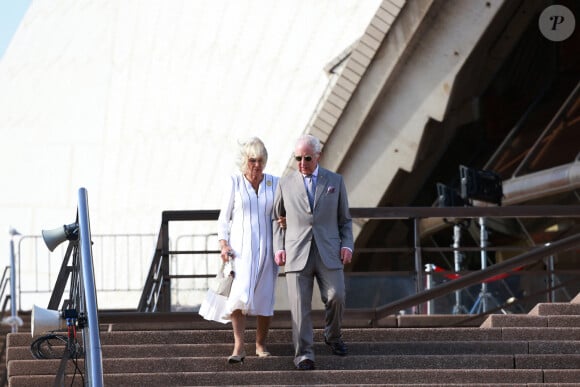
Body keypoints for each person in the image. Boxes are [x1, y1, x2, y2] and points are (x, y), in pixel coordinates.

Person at [272, 134, 353, 371]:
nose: (302, 163)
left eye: (307, 158)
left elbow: (345, 220)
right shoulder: (285, 183)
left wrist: (347, 245)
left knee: (337, 295)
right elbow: (276, 219)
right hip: (297, 252)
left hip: (329, 250)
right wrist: (279, 246)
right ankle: (304, 354)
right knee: (299, 306)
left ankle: (333, 335)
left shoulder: (335, 181)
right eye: (298, 158)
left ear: (318, 156)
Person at [215, 137, 280, 364]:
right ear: (245, 160)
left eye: (260, 160)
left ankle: (260, 344)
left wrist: (285, 220)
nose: (256, 165)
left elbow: (282, 212)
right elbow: (223, 219)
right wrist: (224, 244)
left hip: (267, 249)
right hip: (240, 250)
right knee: (239, 295)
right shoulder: (234, 182)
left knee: (265, 295)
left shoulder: (274, 182)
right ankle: (239, 345)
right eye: (252, 160)